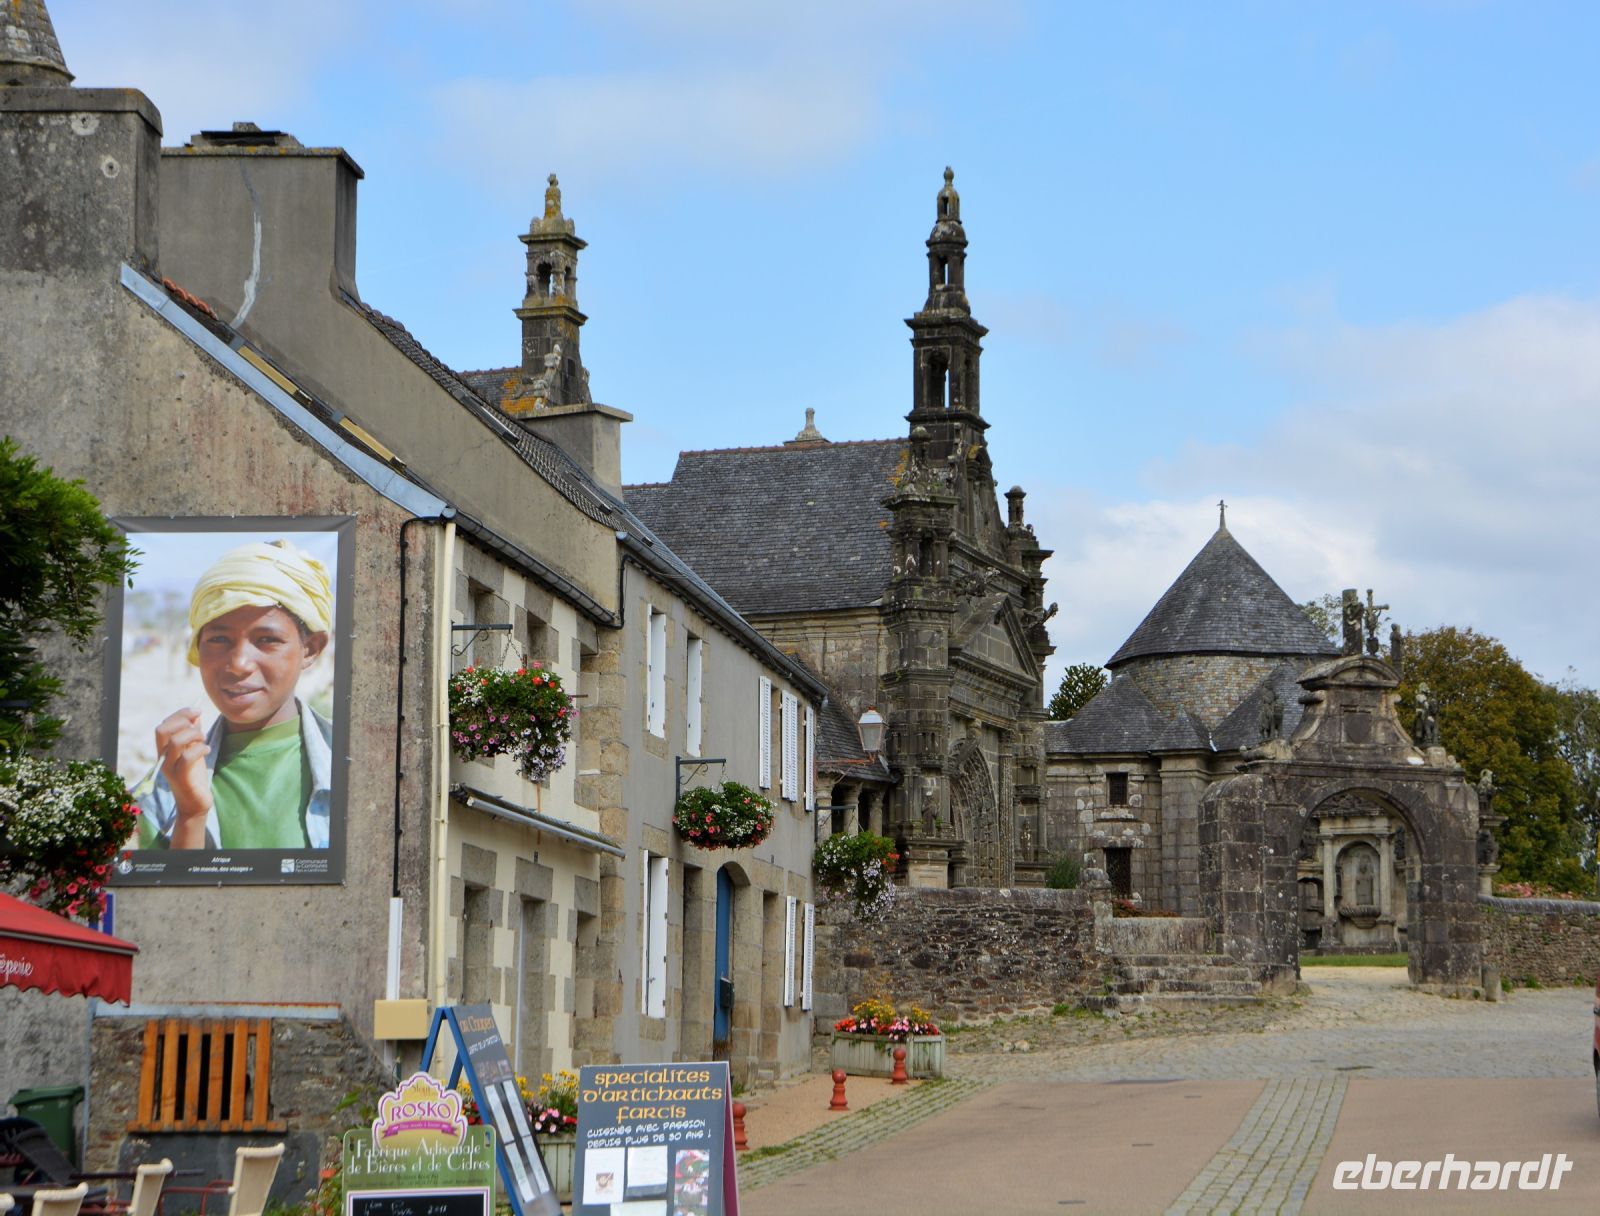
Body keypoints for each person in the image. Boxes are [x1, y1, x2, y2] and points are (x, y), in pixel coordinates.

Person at [133, 539, 334, 850]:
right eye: (219, 639)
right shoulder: (162, 790)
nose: (238, 664)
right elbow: (159, 897)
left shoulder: (353, 767)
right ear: (198, 647)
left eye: (267, 639)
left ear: (311, 648)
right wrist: (189, 815)